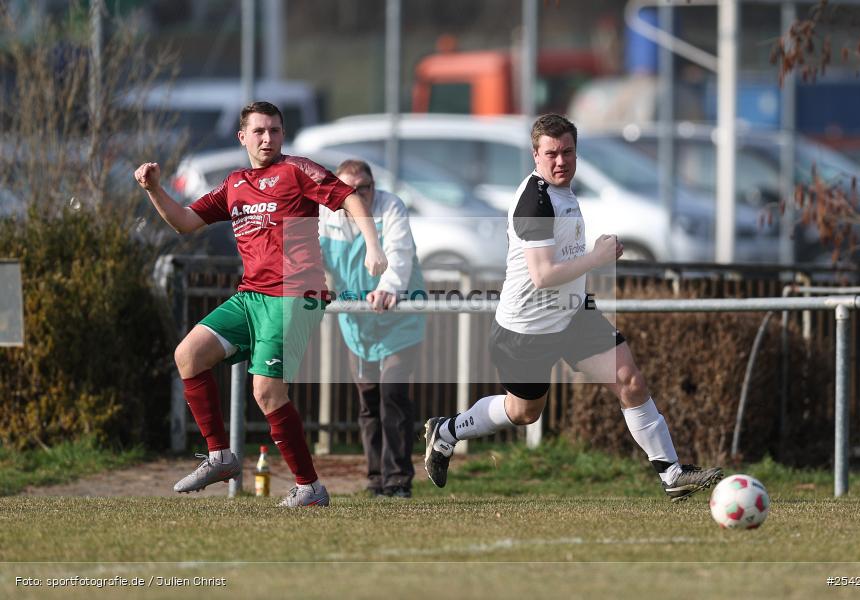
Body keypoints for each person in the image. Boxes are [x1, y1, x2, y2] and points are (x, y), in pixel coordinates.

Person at [423, 114, 722, 501]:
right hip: (526, 330)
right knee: (524, 413)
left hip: (572, 313)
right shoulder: (535, 201)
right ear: (535, 155)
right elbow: (543, 275)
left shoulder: (562, 189)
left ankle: (672, 474)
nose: (560, 161)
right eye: (551, 154)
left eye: (567, 152)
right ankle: (447, 431)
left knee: (629, 379)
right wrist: (597, 257)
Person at [134, 101, 387, 507]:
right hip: (251, 295)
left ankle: (310, 487)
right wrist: (153, 190)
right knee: (188, 356)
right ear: (243, 137)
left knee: (267, 391)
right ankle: (220, 456)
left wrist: (373, 246)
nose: (268, 138)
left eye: (274, 130)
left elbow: (349, 198)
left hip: (295, 293)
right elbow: (183, 221)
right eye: (259, 131)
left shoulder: (297, 170)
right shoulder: (234, 184)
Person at [319, 160, 425, 499]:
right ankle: (376, 479)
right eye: (347, 189)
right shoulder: (327, 216)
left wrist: (389, 287)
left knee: (392, 393)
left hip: (399, 318)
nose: (356, 195)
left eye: (363, 187)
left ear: (374, 187)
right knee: (368, 400)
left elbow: (399, 253)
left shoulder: (391, 207)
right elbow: (313, 258)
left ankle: (398, 480)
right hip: (357, 323)